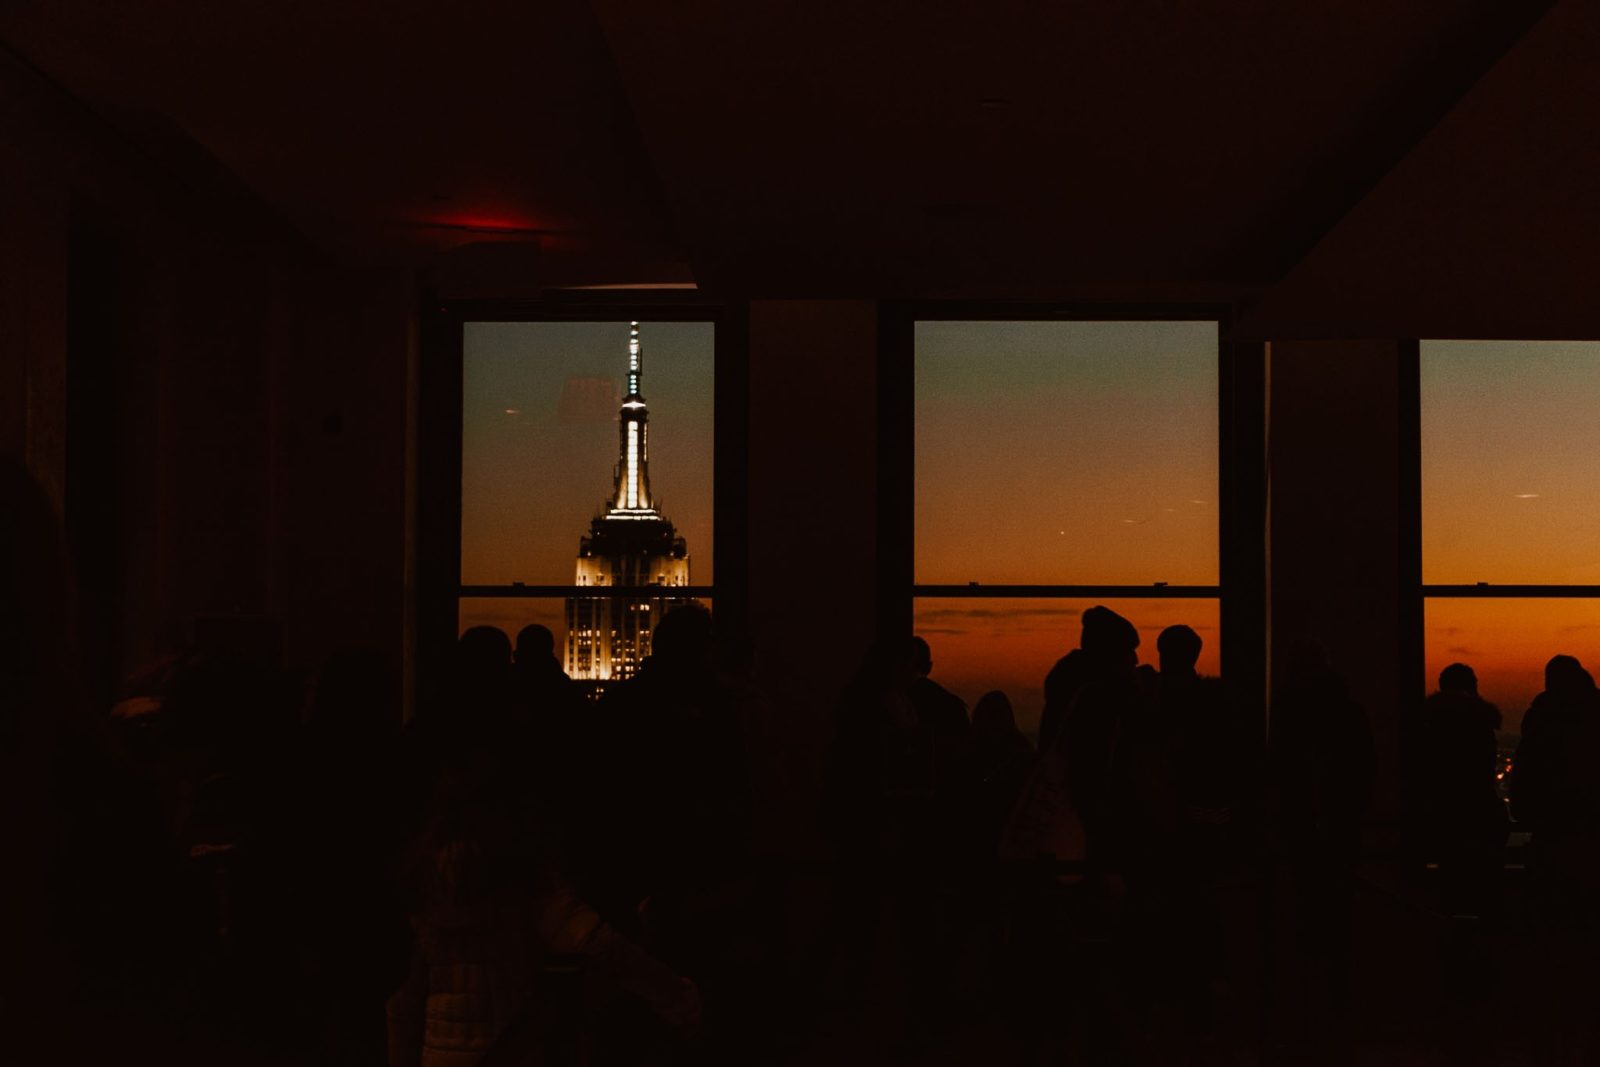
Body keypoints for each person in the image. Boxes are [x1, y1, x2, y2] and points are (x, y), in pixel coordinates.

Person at [1417, 663, 1507, 918]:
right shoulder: (1480, 724)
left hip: (1443, 816)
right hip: (1478, 813)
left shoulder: (1428, 724)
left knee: (1450, 887)